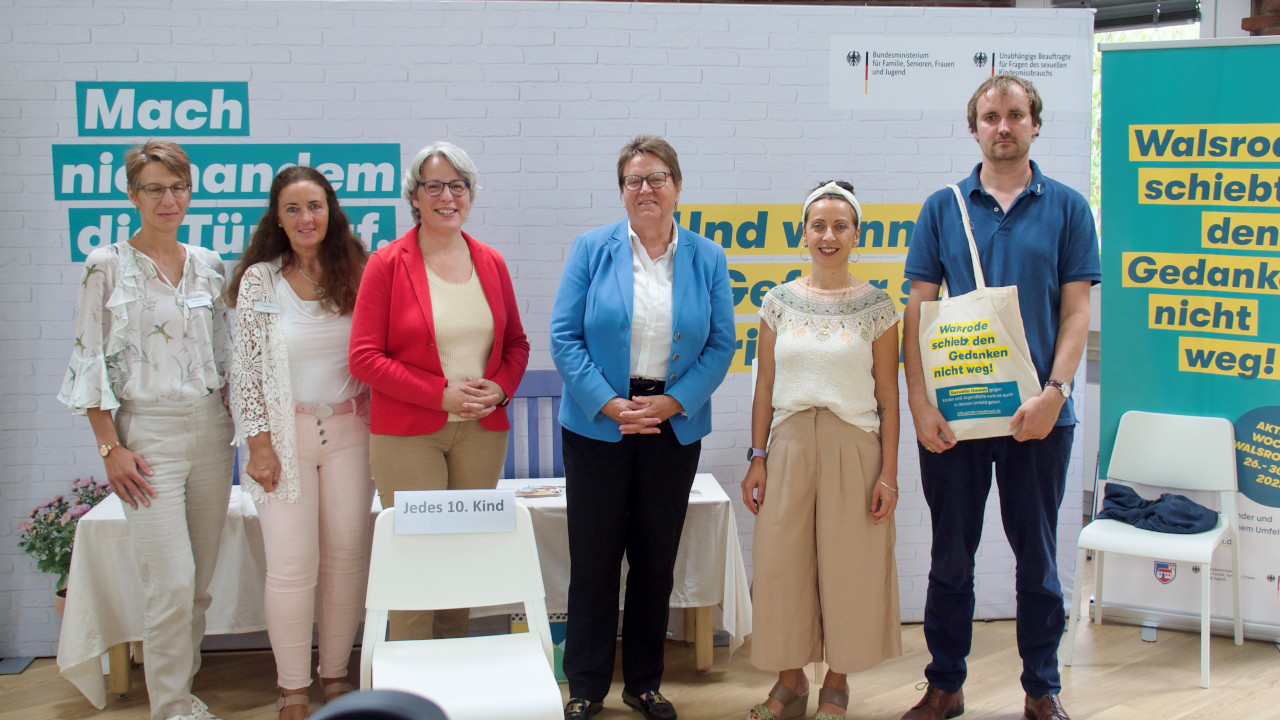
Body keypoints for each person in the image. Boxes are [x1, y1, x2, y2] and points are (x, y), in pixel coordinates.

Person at [899, 75, 1100, 720]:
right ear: (975, 127)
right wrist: (920, 403)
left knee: (1037, 558)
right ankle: (945, 685)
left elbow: (1075, 315)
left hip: (1040, 417)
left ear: (1035, 124)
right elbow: (917, 312)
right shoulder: (941, 208)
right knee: (950, 558)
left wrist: (1055, 393)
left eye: (1016, 115)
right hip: (958, 418)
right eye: (991, 116)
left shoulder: (1069, 208)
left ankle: (1042, 690)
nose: (1003, 126)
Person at [550, 135, 735, 720]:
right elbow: (564, 336)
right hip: (598, 424)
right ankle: (585, 685)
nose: (646, 190)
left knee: (657, 559)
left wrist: (673, 402)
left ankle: (646, 683)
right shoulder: (591, 249)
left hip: (671, 426)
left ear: (677, 187)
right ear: (622, 191)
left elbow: (722, 343)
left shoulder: (707, 257)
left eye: (657, 178)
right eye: (634, 180)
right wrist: (608, 403)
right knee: (595, 557)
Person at [58, 140, 233, 720]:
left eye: (178, 187)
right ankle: (172, 710)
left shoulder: (209, 264)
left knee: (199, 585)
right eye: (155, 188)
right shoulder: (105, 265)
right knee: (171, 584)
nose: (169, 199)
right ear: (131, 194)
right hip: (146, 434)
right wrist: (110, 447)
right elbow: (89, 360)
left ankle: (181, 691)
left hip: (210, 430)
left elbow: (226, 359)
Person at [348, 141, 529, 641]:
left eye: (458, 185)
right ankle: (409, 684)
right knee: (416, 556)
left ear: (469, 195)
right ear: (414, 196)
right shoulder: (387, 264)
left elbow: (516, 344)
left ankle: (453, 671)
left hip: (482, 434)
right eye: (434, 186)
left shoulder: (490, 262)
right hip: (409, 435)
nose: (447, 196)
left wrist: (501, 388)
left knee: (462, 557)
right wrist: (440, 395)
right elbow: (364, 357)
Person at [742, 181, 902, 720]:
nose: (828, 236)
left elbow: (888, 399)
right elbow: (764, 386)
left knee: (849, 567)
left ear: (857, 234)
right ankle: (790, 682)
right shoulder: (777, 301)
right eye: (818, 225)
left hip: (853, 446)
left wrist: (890, 476)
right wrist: (756, 456)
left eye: (840, 225)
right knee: (782, 565)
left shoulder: (877, 306)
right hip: (786, 446)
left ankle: (837, 683)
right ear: (803, 232)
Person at [227, 166, 374, 720]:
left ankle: (334, 673)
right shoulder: (260, 280)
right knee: (291, 566)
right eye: (292, 209)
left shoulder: (357, 271)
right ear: (277, 218)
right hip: (281, 439)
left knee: (346, 557)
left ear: (330, 211)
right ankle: (292, 688)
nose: (305, 218)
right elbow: (245, 372)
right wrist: (258, 444)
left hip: (349, 435)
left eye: (314, 206)